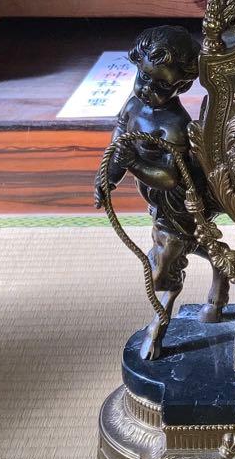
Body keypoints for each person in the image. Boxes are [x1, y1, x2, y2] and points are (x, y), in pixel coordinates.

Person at [94, 25, 227, 359]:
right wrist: (107, 178)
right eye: (144, 77)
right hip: (155, 201)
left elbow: (168, 176)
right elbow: (119, 140)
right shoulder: (132, 106)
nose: (147, 89)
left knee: (162, 267)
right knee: (190, 245)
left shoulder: (174, 124)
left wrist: (133, 163)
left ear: (180, 86)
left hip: (177, 201)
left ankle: (158, 325)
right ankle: (221, 269)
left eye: (161, 85)